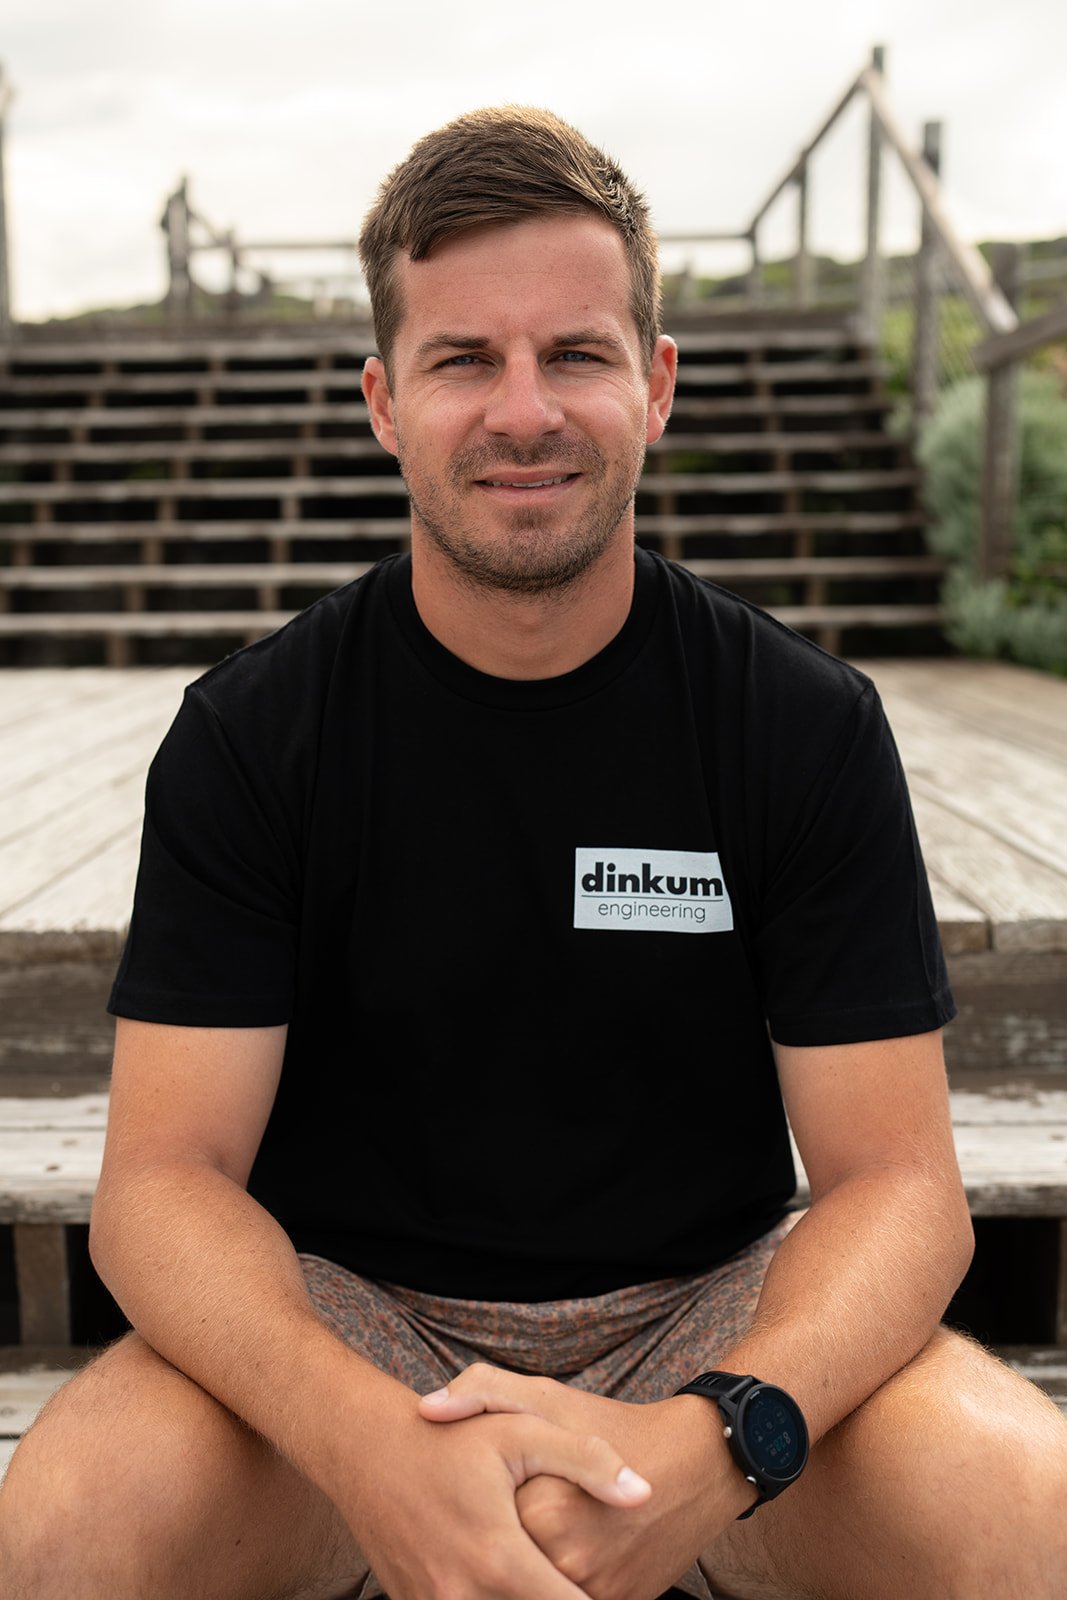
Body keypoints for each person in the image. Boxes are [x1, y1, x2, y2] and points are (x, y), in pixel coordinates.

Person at [2, 106, 1065, 1600]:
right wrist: (374, 1446)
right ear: (382, 400)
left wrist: (715, 1440)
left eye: (575, 353)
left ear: (658, 384)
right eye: (462, 360)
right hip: (353, 1322)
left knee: (1022, 1513)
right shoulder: (254, 734)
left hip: (705, 1314)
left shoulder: (800, 724)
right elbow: (164, 1182)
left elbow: (900, 1185)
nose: (524, 409)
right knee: (69, 1530)